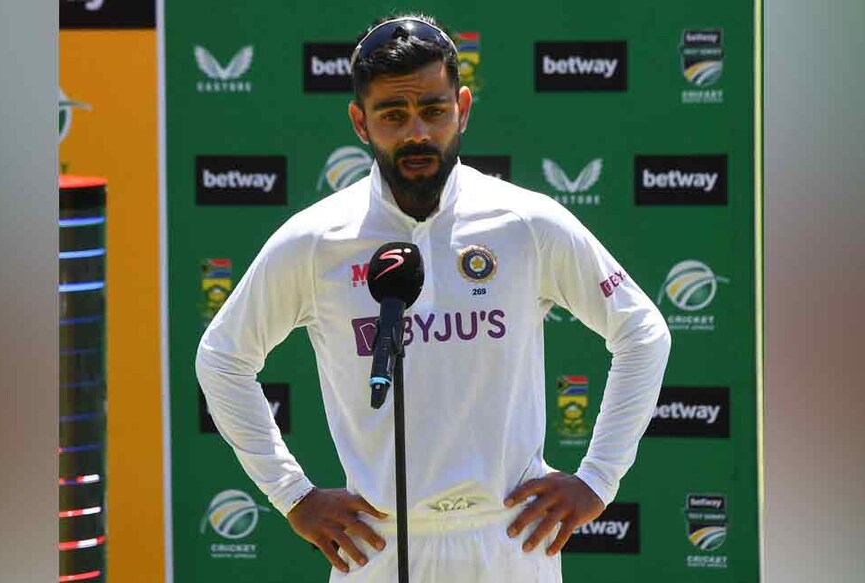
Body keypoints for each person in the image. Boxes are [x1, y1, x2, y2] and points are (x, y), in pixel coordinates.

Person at [195, 13, 671, 582]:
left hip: (509, 541)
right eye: (393, 115)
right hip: (375, 545)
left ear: (462, 108)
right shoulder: (317, 240)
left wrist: (598, 479)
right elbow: (222, 359)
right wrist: (293, 495)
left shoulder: (524, 222)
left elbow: (642, 332)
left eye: (434, 110)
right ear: (360, 122)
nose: (417, 132)